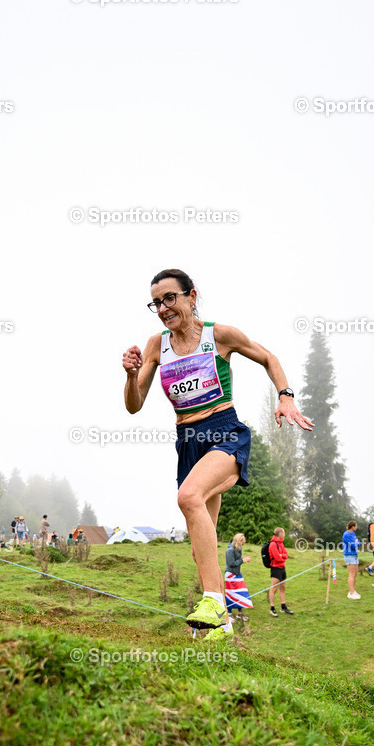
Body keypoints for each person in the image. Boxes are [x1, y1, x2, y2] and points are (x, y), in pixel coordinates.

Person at [122, 267, 313, 643]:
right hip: (187, 440)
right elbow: (134, 404)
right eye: (156, 302)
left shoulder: (218, 335)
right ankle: (221, 624)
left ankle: (211, 600)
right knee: (199, 546)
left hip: (224, 431)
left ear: (192, 296)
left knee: (188, 497)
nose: (163, 308)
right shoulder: (154, 345)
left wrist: (285, 395)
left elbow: (267, 357)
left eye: (170, 298)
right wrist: (130, 376)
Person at [224, 533, 253, 624]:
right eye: (244, 539)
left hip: (237, 574)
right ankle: (229, 614)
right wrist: (243, 560)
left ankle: (239, 613)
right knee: (230, 594)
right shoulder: (230, 550)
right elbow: (231, 563)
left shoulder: (239, 548)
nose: (245, 541)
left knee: (241, 592)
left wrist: (242, 560)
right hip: (230, 575)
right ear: (239, 541)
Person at [268, 527, 293, 616]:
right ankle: (272, 608)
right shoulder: (273, 544)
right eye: (283, 532)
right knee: (274, 588)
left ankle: (283, 606)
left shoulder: (281, 544)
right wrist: (282, 557)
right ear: (279, 534)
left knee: (282, 587)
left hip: (282, 568)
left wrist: (282, 555)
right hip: (275, 568)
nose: (284, 534)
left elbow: (286, 555)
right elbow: (277, 558)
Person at [341, 520, 361, 599]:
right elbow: (353, 545)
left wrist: (356, 542)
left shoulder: (353, 533)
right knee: (351, 574)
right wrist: (356, 542)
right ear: (353, 526)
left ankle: (353, 590)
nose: (356, 527)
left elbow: (358, 542)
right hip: (349, 555)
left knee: (355, 574)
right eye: (356, 526)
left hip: (355, 555)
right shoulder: (346, 534)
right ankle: (351, 593)